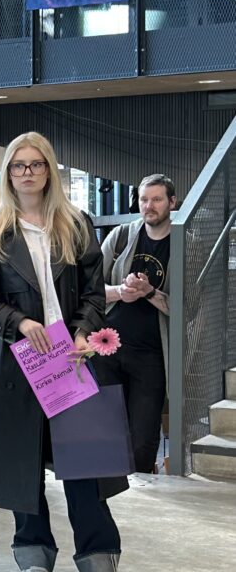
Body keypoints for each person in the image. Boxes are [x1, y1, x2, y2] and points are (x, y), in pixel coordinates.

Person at [0, 132, 125, 572]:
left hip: (72, 359)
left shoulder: (76, 223)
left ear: (49, 170)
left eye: (36, 164)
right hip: (19, 361)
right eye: (18, 166)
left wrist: (83, 331)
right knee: (23, 464)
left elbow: (94, 292)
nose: (27, 173)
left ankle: (97, 553)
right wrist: (19, 322)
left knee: (84, 462)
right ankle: (33, 551)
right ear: (8, 174)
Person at [95, 174, 175, 474]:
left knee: (143, 437)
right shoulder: (121, 237)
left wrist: (149, 292)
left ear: (172, 202)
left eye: (156, 199)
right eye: (144, 199)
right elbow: (90, 290)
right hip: (108, 350)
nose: (149, 206)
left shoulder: (184, 243)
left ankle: (141, 485)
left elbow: (190, 306)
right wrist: (121, 291)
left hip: (153, 355)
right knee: (107, 428)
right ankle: (109, 486)